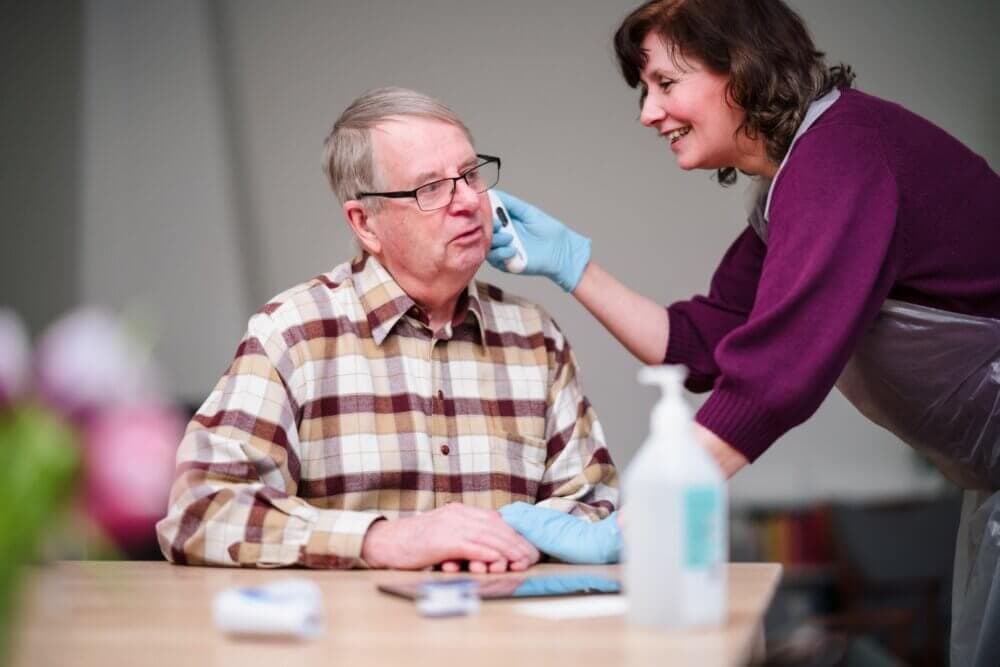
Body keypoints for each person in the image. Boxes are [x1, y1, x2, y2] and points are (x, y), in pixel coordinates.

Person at [489, 1, 999, 664]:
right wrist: (573, 266)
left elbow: (774, 379)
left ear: (744, 73)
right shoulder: (797, 181)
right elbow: (698, 342)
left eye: (666, 84)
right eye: (645, 91)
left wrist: (636, 522)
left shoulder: (844, 155)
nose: (648, 113)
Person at [155, 87, 618, 574]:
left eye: (469, 175)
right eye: (430, 188)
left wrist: (511, 540)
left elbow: (594, 503)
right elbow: (201, 510)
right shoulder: (293, 334)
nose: (465, 202)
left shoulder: (535, 338)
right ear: (365, 223)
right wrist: (381, 540)